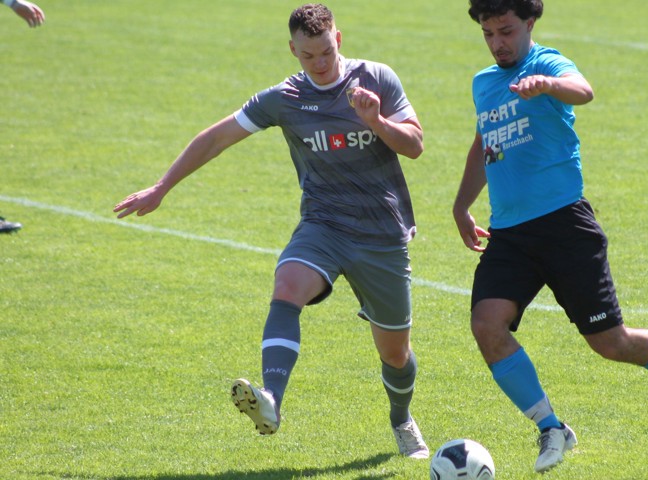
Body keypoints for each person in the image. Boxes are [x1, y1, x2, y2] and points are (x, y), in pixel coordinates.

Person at [113, 3, 429, 459]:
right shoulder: (284, 98)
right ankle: (272, 400)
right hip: (323, 224)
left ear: (338, 40)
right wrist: (162, 187)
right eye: (307, 56)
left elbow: (416, 145)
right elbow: (217, 137)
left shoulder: (376, 79)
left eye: (325, 52)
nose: (319, 64)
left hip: (383, 234)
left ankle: (401, 419)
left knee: (396, 353)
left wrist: (376, 122)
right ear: (293, 51)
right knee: (286, 286)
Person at [453, 0, 648, 473]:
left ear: (530, 24)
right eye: (488, 34)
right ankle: (551, 428)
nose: (498, 42)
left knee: (611, 344)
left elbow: (583, 90)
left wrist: (548, 86)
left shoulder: (546, 63)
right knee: (487, 325)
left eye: (506, 31)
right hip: (510, 234)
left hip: (565, 227)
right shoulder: (483, 83)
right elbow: (485, 141)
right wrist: (461, 204)